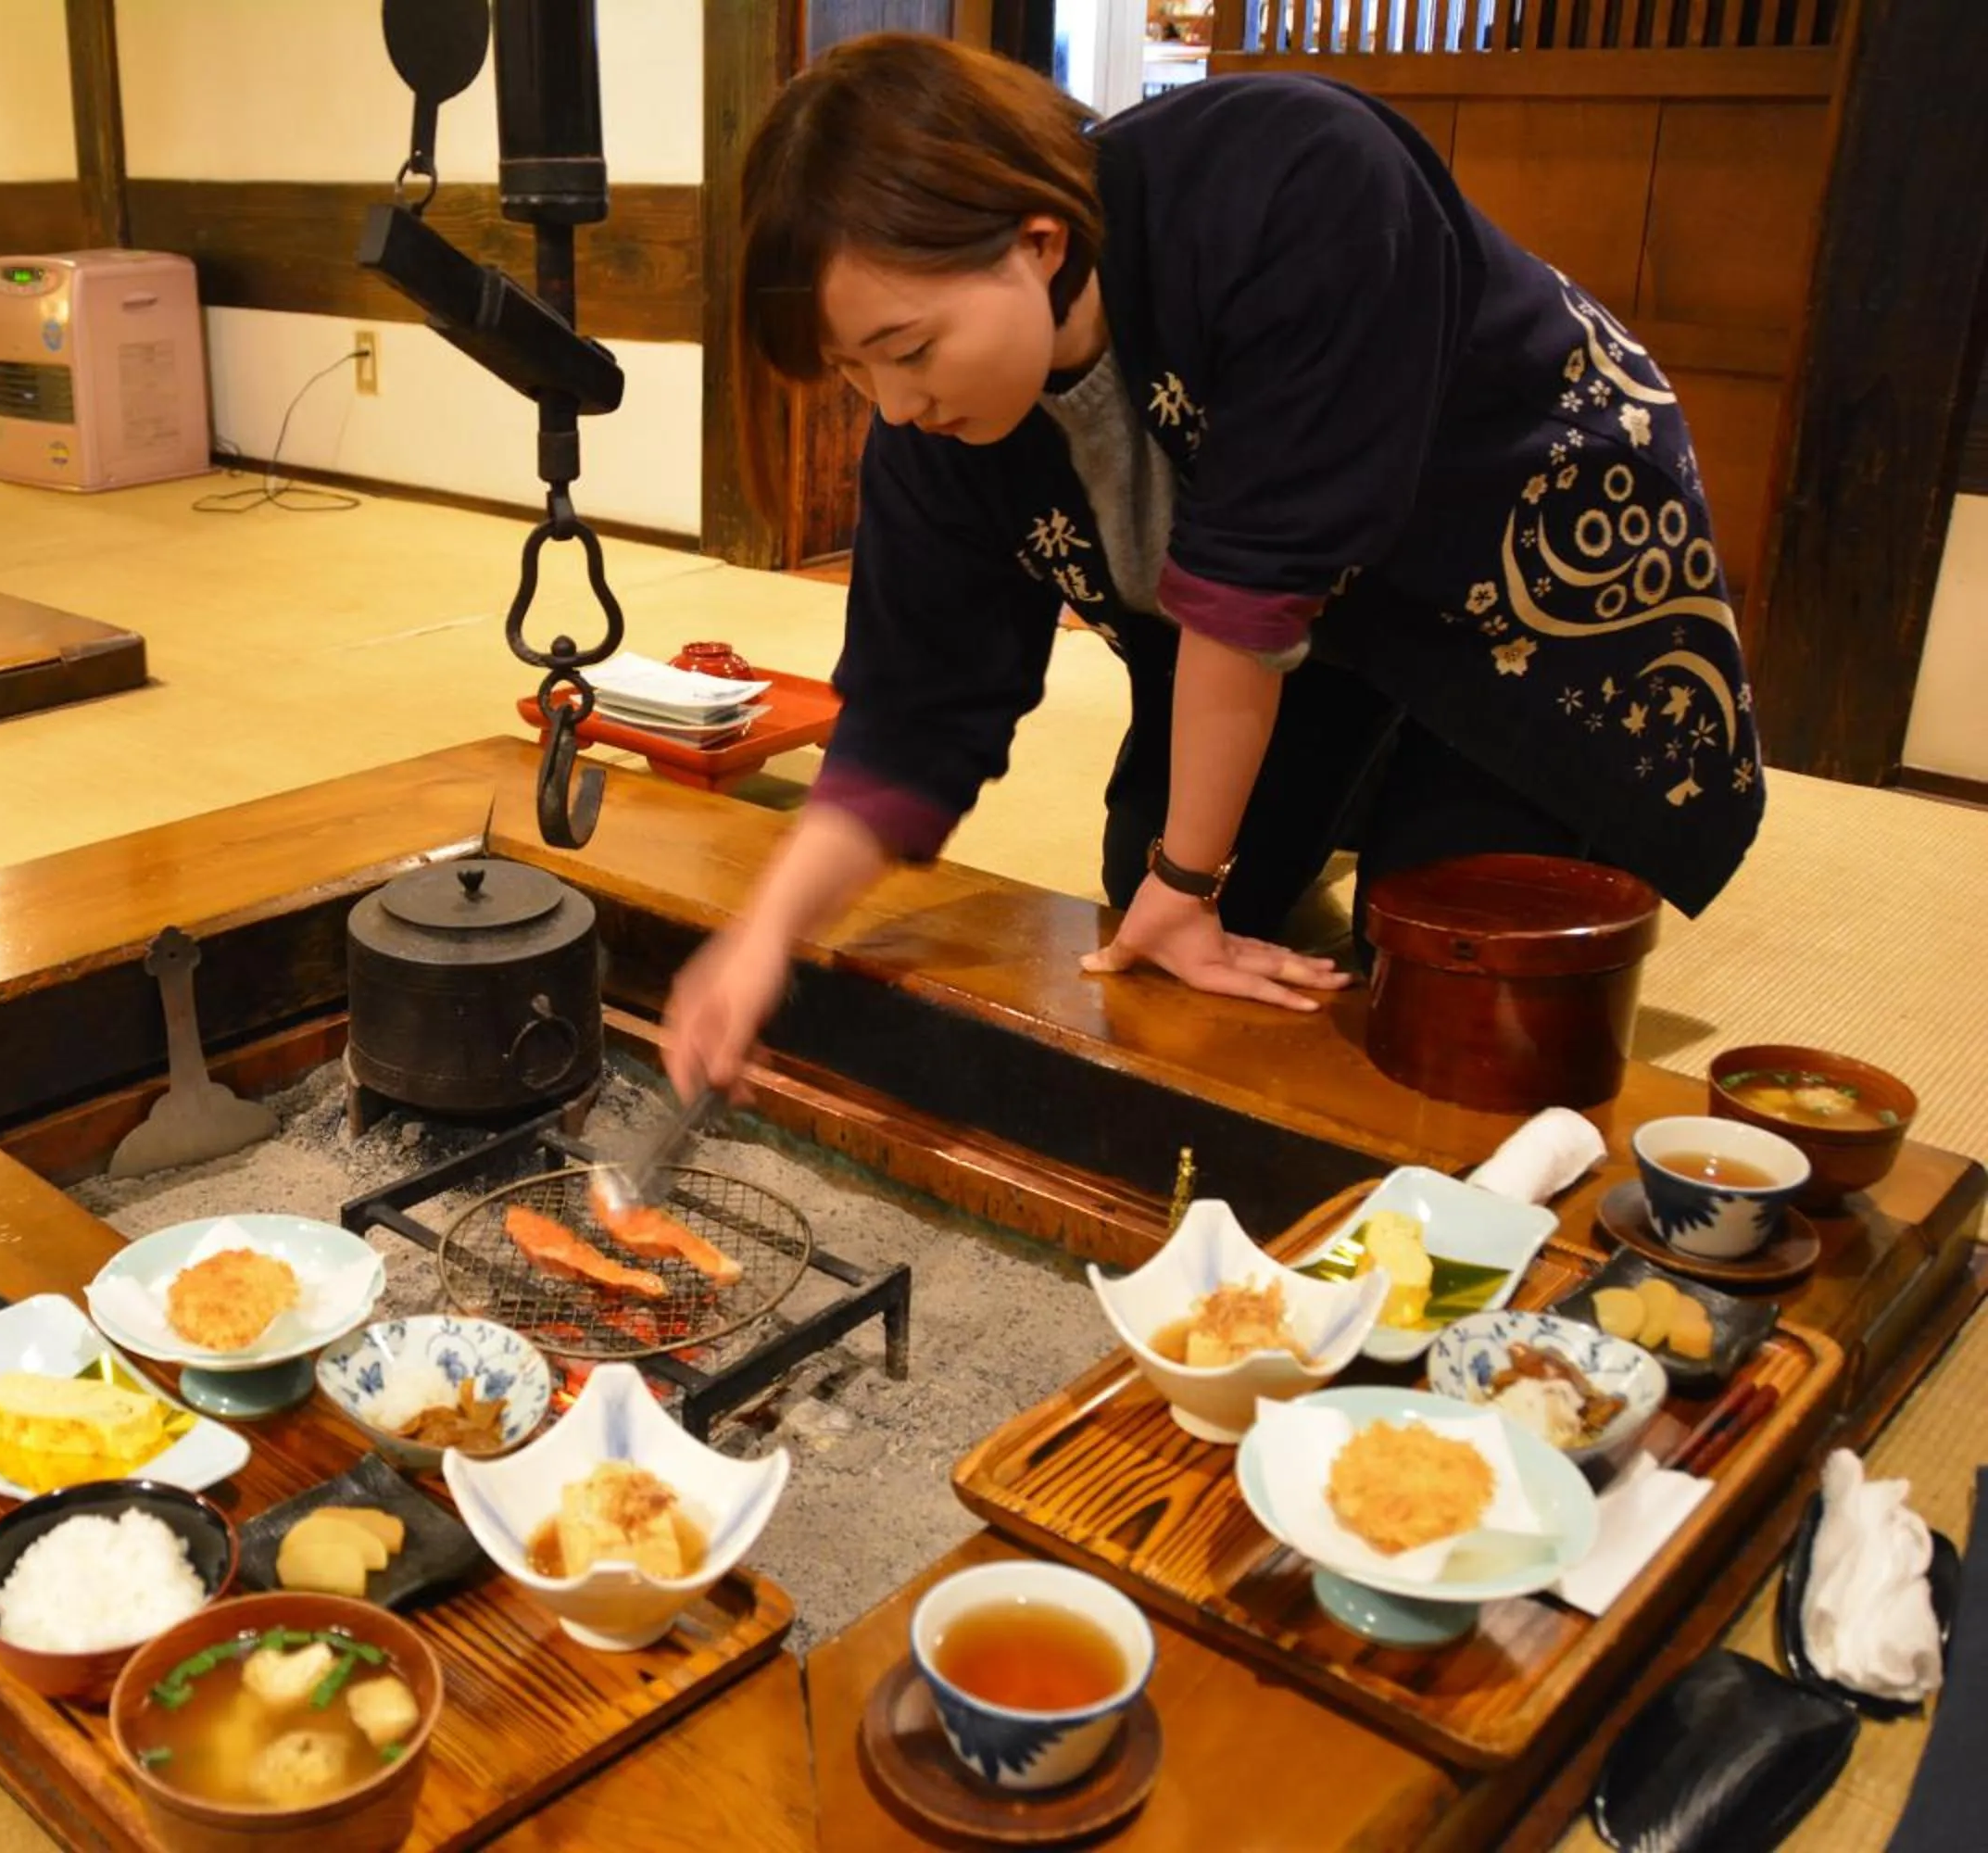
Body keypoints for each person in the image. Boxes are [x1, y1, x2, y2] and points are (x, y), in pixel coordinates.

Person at [662, 34, 1764, 1102]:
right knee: (1138, 884)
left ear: (1037, 243)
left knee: (1448, 958)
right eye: (853, 372)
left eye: (907, 350)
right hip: (1293, 618)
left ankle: (1405, 778)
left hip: (1509, 549)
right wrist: (762, 937)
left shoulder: (1291, 176)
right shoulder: (929, 431)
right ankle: (1357, 766)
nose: (895, 405)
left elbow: (1247, 592)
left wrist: (1191, 882)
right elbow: (911, 707)